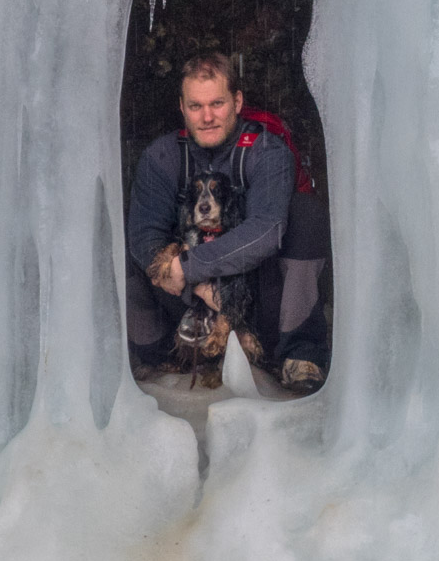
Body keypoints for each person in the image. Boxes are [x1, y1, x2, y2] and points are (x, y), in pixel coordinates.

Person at [125, 52, 331, 393]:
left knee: (306, 215)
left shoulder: (267, 151)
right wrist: (197, 286)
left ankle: (300, 354)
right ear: (181, 107)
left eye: (217, 103)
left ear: (237, 101)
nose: (207, 117)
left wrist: (193, 268)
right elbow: (143, 235)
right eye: (196, 106)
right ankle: (157, 353)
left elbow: (267, 230)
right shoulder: (162, 157)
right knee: (128, 250)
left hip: (255, 301)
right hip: (186, 303)